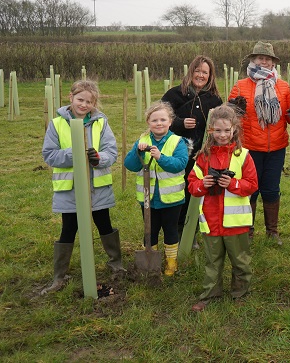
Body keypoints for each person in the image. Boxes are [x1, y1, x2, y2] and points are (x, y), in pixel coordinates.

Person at [41, 80, 125, 295]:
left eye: (89, 101)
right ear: (71, 98)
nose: (84, 104)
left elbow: (111, 152)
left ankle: (116, 265)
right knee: (68, 228)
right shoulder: (57, 123)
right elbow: (49, 154)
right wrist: (75, 152)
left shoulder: (101, 123)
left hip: (97, 189)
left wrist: (98, 158)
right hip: (69, 190)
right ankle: (59, 276)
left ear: (94, 103)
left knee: (104, 224)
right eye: (80, 99)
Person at [228, 41, 290, 245]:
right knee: (250, 188)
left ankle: (272, 231)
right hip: (249, 147)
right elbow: (230, 116)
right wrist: (232, 108)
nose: (264, 61)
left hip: (276, 147)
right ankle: (248, 231)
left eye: (267, 58)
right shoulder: (241, 86)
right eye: (260, 58)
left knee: (271, 188)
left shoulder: (283, 86)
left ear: (272, 62)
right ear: (253, 60)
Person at [188, 104, 258, 312]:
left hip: (236, 223)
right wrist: (203, 184)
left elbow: (252, 185)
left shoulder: (243, 155)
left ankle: (240, 293)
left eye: (227, 130)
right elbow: (192, 185)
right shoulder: (203, 157)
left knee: (241, 261)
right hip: (210, 221)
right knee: (212, 262)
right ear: (210, 130)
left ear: (234, 130)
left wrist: (234, 184)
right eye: (217, 130)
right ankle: (210, 295)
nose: (222, 135)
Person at [161, 55, 223, 247]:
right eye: (198, 71)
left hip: (202, 155)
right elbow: (159, 119)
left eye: (205, 72)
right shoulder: (173, 95)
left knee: (197, 192)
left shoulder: (214, 99)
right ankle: (174, 233)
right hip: (176, 155)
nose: (201, 75)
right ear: (191, 72)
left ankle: (191, 232)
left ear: (210, 75)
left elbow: (221, 125)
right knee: (178, 192)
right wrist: (179, 123)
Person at [124, 101, 189, 276]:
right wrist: (136, 153)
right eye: (154, 120)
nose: (158, 123)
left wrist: (161, 157)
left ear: (170, 122)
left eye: (162, 120)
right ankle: (150, 262)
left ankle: (171, 262)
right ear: (148, 123)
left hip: (172, 200)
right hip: (148, 199)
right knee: (150, 230)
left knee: (170, 230)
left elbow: (180, 164)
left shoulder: (177, 142)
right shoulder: (142, 141)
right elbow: (129, 165)